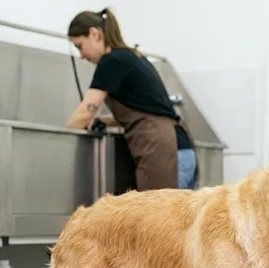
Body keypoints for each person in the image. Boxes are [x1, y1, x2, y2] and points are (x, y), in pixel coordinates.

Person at [65, 8, 198, 190]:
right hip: (181, 150)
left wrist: (63, 139)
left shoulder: (112, 61)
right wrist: (103, 121)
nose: (81, 55)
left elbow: (86, 110)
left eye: (80, 46)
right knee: (177, 218)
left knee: (156, 217)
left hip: (162, 152)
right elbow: (144, 111)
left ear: (94, 34)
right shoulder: (132, 57)